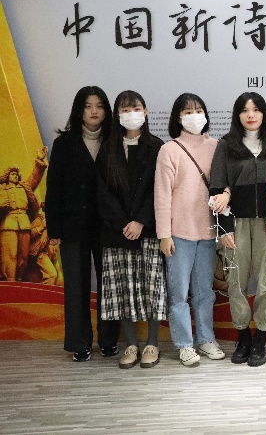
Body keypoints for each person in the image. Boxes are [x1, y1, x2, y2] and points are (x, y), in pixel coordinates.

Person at [46, 86, 121, 362]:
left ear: (106, 111)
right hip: (73, 225)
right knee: (76, 286)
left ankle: (109, 340)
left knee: (109, 283)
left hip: (107, 225)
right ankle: (79, 343)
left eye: (99, 105)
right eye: (88, 106)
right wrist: (54, 229)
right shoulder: (64, 144)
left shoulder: (115, 141)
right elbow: (54, 188)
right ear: (79, 110)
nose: (94, 111)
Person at [209, 92, 266, 367]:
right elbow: (217, 188)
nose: (251, 115)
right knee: (236, 284)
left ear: (264, 113)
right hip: (235, 223)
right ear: (237, 115)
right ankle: (243, 337)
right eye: (244, 110)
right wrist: (224, 229)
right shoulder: (226, 145)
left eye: (256, 109)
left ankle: (260, 337)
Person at [96, 91, 166, 369]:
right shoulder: (108, 149)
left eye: (135, 108)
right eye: (124, 109)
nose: (130, 114)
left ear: (145, 111)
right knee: (122, 290)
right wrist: (123, 222)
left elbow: (159, 190)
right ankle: (131, 344)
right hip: (116, 232)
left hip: (147, 230)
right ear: (117, 115)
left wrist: (140, 221)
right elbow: (101, 192)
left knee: (151, 288)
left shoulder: (157, 147)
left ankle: (152, 343)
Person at [155, 93, 224, 366]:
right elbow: (162, 196)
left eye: (198, 111)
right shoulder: (169, 150)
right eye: (188, 112)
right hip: (179, 234)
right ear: (178, 117)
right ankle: (184, 344)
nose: (194, 116)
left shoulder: (217, 146)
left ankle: (206, 338)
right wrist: (164, 234)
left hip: (207, 231)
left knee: (205, 292)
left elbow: (225, 185)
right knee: (179, 294)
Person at [0, 148, 46, 281]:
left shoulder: (24, 187)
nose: (15, 176)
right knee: (10, 255)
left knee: (23, 258)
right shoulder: (2, 189)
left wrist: (39, 160)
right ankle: (10, 281)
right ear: (7, 176)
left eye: (16, 174)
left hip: (24, 224)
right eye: (12, 174)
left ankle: (20, 280)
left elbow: (34, 178)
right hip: (8, 224)